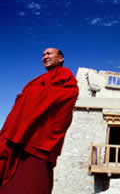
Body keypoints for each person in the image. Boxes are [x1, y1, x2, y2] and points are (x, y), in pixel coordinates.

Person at [0, 48, 79, 193]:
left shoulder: (65, 76)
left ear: (60, 58)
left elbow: (66, 96)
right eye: (43, 55)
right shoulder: (38, 80)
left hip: (38, 141)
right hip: (22, 135)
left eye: (49, 54)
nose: (45, 57)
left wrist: (27, 97)